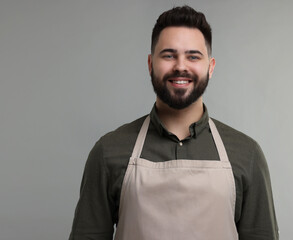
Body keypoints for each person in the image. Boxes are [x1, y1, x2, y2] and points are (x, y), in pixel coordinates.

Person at [69, 5, 279, 240]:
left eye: (193, 56)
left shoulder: (247, 154)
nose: (180, 66)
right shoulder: (108, 151)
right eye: (169, 55)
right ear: (150, 64)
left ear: (210, 67)